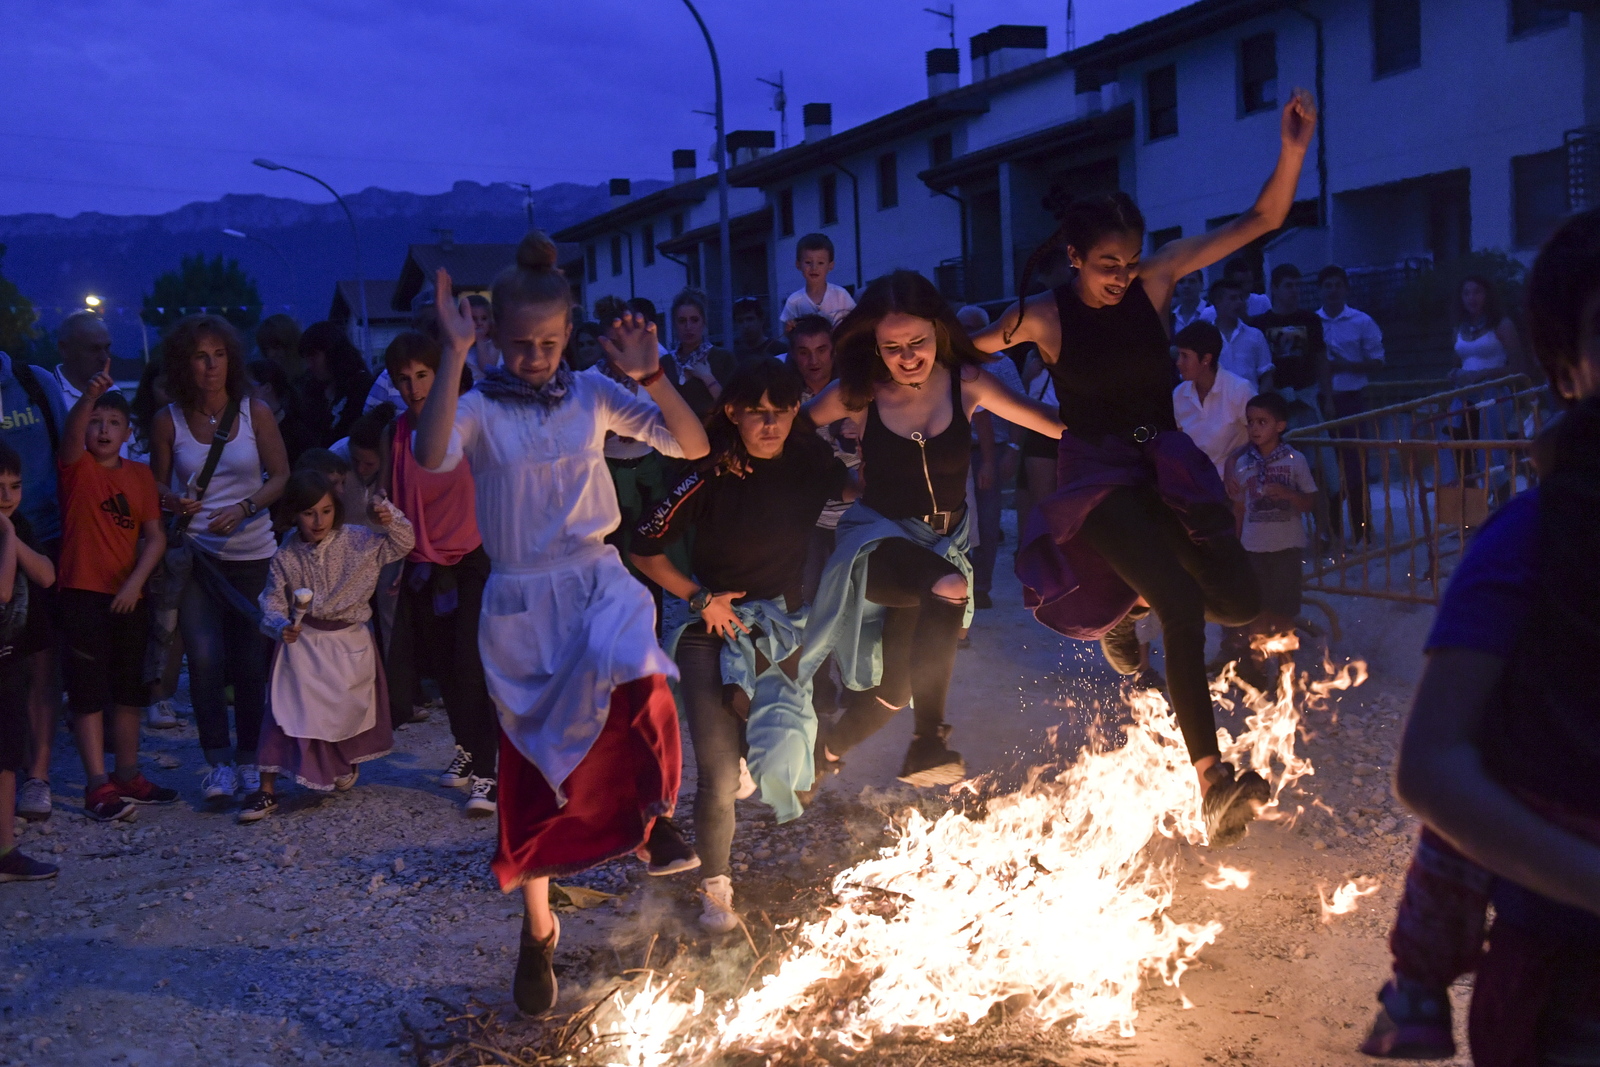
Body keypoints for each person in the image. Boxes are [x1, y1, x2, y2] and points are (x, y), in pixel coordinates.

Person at [975, 89, 1318, 846]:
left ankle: (1124, 600)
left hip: (1166, 464)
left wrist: (1291, 149)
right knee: (1180, 604)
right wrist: (917, 358)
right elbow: (964, 348)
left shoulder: (1155, 283)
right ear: (1073, 257)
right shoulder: (1044, 316)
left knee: (1236, 598)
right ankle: (1213, 782)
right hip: (1099, 477)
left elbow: (1259, 221)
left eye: (1128, 263)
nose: (1121, 277)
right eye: (1105, 265)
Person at [411, 232, 711, 1016]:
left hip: (592, 577)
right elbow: (431, 453)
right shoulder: (476, 406)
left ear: (569, 334)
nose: (536, 357)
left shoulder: (591, 394)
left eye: (548, 343)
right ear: (495, 338)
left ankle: (656, 818)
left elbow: (692, 442)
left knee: (643, 673)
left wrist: (651, 372)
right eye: (519, 345)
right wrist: (452, 353)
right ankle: (538, 927)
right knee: (535, 771)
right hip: (519, 605)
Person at [1373, 209, 1600, 1066]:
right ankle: (1417, 985)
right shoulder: (1527, 541)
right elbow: (1433, 766)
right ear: (1566, 368)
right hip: (1570, 990)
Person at [801, 270, 1063, 786]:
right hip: (876, 541)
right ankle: (929, 742)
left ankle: (822, 753)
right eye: (892, 347)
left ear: (938, 333)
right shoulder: (860, 392)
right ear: (874, 345)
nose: (906, 357)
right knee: (949, 585)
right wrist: (839, 479)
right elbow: (787, 434)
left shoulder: (966, 382)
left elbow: (1055, 426)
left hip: (944, 544)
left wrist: (1135, 432)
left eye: (917, 342)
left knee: (896, 692)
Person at [630, 358, 850, 933]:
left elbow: (861, 492)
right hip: (711, 626)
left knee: (792, 766)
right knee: (717, 771)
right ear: (733, 412)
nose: (769, 424)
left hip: (781, 627)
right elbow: (643, 548)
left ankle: (755, 754)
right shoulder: (708, 470)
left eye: (781, 411)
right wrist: (701, 598)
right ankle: (717, 891)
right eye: (756, 413)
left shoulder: (808, 461)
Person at [151, 314, 289, 808]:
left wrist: (246, 507)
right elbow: (156, 483)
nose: (210, 366)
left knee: (249, 661)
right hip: (199, 558)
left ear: (231, 359)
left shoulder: (255, 412)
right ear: (183, 364)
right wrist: (170, 500)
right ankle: (217, 763)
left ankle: (252, 759)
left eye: (219, 355)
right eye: (200, 357)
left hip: (254, 553)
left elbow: (281, 475)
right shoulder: (168, 420)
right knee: (204, 659)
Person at [243, 470, 414, 822]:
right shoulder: (286, 555)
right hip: (303, 643)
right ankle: (266, 789)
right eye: (308, 512)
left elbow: (403, 542)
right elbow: (272, 601)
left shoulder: (358, 541)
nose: (318, 520)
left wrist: (388, 514)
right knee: (282, 713)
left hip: (347, 642)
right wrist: (280, 626)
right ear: (295, 514)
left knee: (343, 712)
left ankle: (339, 762)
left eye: (325, 511)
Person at [381, 331, 499, 814]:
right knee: (444, 668)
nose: (413, 387)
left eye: (423, 375)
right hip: (424, 561)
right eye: (403, 379)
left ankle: (489, 774)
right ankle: (467, 751)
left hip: (476, 556)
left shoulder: (468, 419)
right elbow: (395, 497)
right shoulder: (397, 432)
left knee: (472, 666)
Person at [56, 361, 177, 819]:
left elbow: (155, 536)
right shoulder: (77, 467)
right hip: (83, 593)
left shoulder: (140, 476)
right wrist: (89, 396)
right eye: (96, 422)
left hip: (129, 596)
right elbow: (70, 439)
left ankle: (128, 773)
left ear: (128, 432)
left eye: (113, 423)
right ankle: (95, 784)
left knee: (129, 691)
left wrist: (134, 582)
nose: (103, 430)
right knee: (87, 693)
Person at [0, 349, 66, 823]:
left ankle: (37, 776)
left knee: (42, 663)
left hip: (43, 532)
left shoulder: (33, 383)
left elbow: (69, 450)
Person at [1221, 393, 1316, 685]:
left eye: (1262, 422)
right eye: (1250, 422)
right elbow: (1239, 508)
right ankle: (1258, 672)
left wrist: (1287, 495)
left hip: (1285, 548)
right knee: (1258, 614)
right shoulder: (1243, 464)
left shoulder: (1294, 460)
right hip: (1253, 548)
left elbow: (1310, 501)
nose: (1255, 428)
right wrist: (1235, 547)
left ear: (1280, 425)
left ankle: (1286, 675)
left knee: (1284, 614)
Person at [0, 442, 59, 880]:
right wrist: (5, 536)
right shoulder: (7, 530)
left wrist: (9, 533)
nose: (7, 496)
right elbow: (2, 591)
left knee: (5, 756)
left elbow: (46, 573)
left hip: (8, 656)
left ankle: (6, 851)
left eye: (15, 486)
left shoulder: (15, 524)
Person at [1317, 266, 1386, 543]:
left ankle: (1362, 527)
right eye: (1327, 285)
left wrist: (1346, 365)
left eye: (1337, 285)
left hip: (1351, 398)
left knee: (1355, 463)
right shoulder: (1312, 323)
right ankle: (1332, 529)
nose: (1332, 290)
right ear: (1320, 290)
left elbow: (1378, 361)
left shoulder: (1362, 321)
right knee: (1326, 466)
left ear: (1345, 288)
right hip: (1321, 400)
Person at [1173, 321, 1253, 477]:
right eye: (1178, 355)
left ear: (1206, 359)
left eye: (1185, 356)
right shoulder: (1179, 394)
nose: (1178, 363)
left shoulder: (1239, 390)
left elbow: (1261, 438)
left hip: (1236, 483)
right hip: (1193, 485)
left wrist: (1233, 460)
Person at [296, 321, 375, 447]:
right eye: (306, 358)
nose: (309, 365)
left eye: (314, 356)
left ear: (333, 352)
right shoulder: (312, 390)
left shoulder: (362, 387)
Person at [662, 288, 736, 419]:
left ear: (704, 322)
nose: (688, 326)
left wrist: (708, 378)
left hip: (713, 434)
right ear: (674, 324)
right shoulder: (666, 362)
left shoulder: (722, 358)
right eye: (682, 321)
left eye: (694, 320)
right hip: (672, 436)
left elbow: (734, 406)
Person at [1451, 275, 1524, 386]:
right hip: (1464, 396)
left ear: (1487, 295)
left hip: (1496, 393)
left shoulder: (1502, 325)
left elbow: (1517, 367)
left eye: (1477, 292)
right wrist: (1453, 373)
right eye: (1466, 293)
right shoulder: (1458, 330)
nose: (1471, 298)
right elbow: (1457, 365)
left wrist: (1483, 374)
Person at [248, 358, 317, 467]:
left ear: (267, 388)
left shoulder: (296, 433)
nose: (243, 393)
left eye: (248, 387)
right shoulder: (242, 429)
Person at [1208, 278, 1274, 392]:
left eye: (1241, 298)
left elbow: (1267, 375)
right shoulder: (1205, 337)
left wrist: (1258, 404)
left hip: (1250, 405)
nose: (1239, 302)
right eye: (1233, 298)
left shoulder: (1255, 335)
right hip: (1216, 406)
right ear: (1217, 302)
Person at [780, 233, 856, 330]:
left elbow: (855, 322)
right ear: (798, 264)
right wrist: (790, 328)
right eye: (808, 262)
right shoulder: (794, 301)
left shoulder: (841, 295)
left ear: (830, 265)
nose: (814, 268)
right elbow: (788, 334)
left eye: (820, 263)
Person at [1200, 256, 1272, 323]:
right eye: (1241, 283)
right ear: (1229, 281)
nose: (1246, 287)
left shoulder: (1262, 301)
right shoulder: (1208, 314)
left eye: (1249, 282)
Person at [732, 297, 786, 366]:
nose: (745, 325)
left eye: (750, 319)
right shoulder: (735, 356)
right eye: (740, 321)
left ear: (761, 320)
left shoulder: (780, 351)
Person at [255, 314, 304, 382]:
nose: (270, 354)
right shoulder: (263, 380)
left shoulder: (311, 380)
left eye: (276, 347)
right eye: (266, 349)